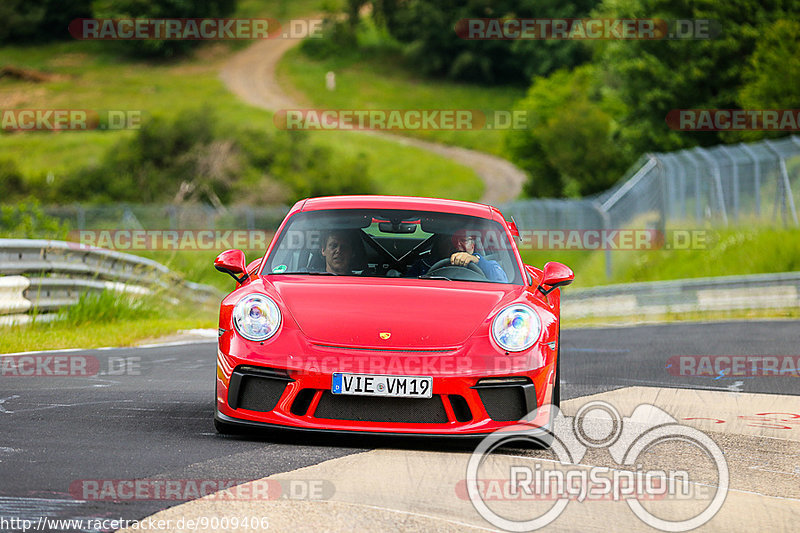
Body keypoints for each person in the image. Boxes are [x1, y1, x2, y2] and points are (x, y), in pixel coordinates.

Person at [406, 230, 508, 282]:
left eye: (464, 240)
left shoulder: (486, 265)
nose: (457, 245)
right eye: (449, 241)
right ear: (440, 245)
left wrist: (476, 260)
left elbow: (503, 285)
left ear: (472, 246)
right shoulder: (423, 265)